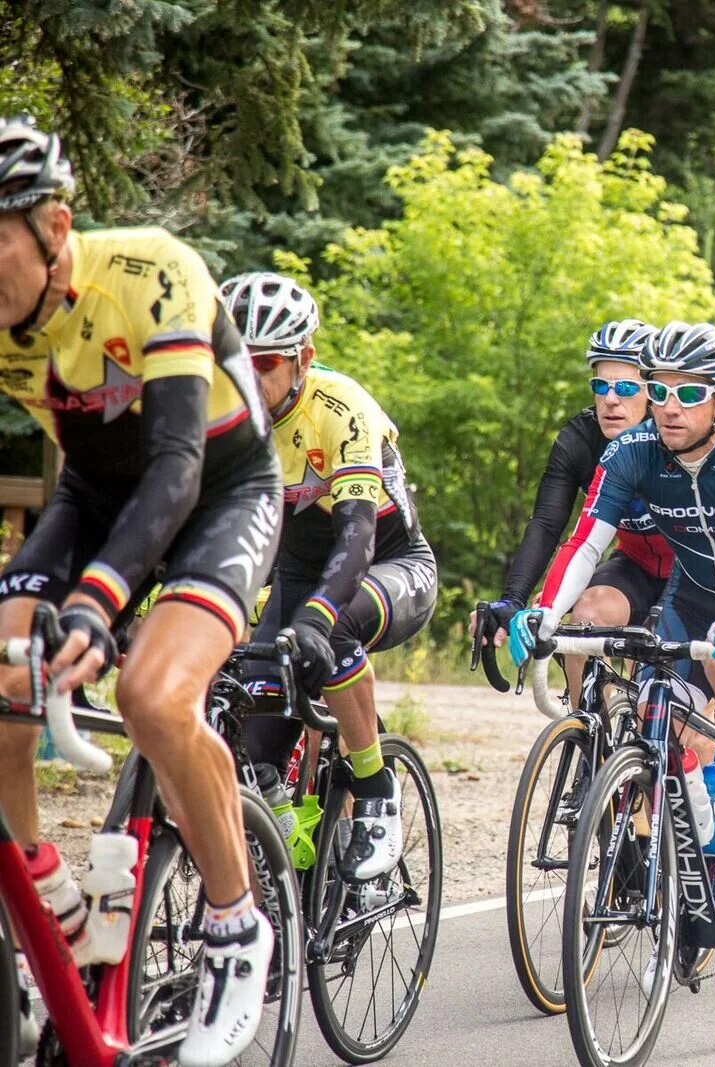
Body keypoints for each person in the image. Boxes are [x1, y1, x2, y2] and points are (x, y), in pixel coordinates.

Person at [0, 115, 279, 1065]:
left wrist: (97, 601)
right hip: (95, 493)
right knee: (4, 668)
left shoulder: (151, 270)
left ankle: (237, 925)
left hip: (219, 490)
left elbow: (173, 468)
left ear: (54, 227)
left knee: (152, 696)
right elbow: (94, 485)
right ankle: (56, 903)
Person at [511, 322, 715, 882]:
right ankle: (700, 825)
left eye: (690, 393)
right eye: (659, 391)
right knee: (659, 709)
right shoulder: (630, 451)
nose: (670, 408)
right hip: (693, 590)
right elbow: (584, 541)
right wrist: (543, 614)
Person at [221, 271, 438, 878]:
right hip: (296, 568)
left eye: (263, 363)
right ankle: (282, 838)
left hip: (389, 563)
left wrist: (316, 617)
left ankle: (375, 791)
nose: (245, 377)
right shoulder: (219, 414)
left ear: (303, 358)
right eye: (232, 360)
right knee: (246, 718)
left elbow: (356, 535)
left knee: (331, 630)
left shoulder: (341, 409)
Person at [475, 320, 672, 704]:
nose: (611, 399)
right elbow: (548, 525)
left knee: (671, 695)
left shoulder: (675, 437)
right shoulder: (579, 440)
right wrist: (513, 599)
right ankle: (592, 735)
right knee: (585, 618)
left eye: (627, 387)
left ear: (652, 393)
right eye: (601, 386)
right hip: (635, 563)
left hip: (692, 568)